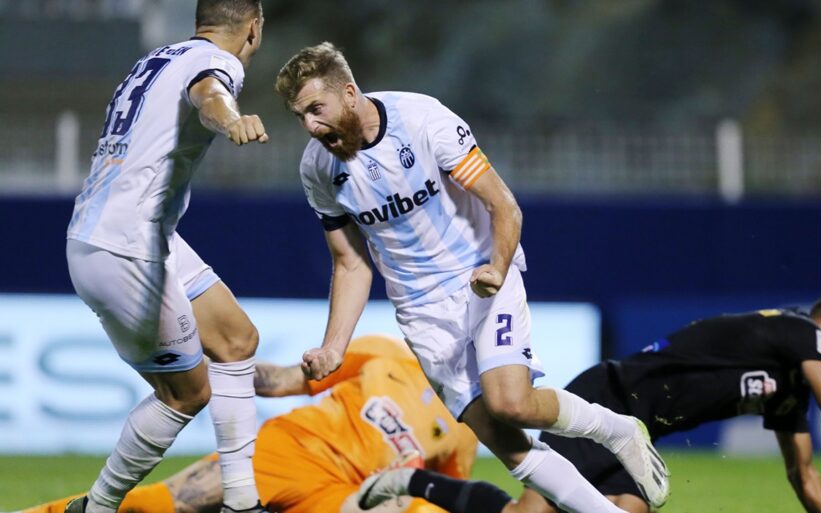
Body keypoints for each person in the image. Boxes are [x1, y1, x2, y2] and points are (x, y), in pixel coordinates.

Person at [274, 42, 669, 513]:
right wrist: (333, 347)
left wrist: (497, 267)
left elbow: (503, 205)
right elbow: (350, 263)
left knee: (512, 403)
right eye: (300, 116)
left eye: (316, 109)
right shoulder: (317, 169)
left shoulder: (422, 120)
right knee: (509, 445)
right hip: (420, 312)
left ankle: (616, 430)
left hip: (480, 277)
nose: (310, 126)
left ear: (349, 93)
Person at [360, 286, 821, 513]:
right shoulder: (797, 330)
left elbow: (804, 475)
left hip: (641, 436)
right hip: (607, 400)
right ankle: (413, 482)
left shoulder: (790, 387)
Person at [64, 2, 268, 512]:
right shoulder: (219, 63)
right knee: (185, 394)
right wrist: (231, 118)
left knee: (237, 340)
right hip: (125, 247)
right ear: (253, 27)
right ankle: (97, 506)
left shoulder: (157, 58)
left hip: (138, 233)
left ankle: (242, 502)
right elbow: (209, 95)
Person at [17, 335, 488, 513]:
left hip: (345, 496)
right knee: (154, 506)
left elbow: (439, 494)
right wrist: (209, 367)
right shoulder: (384, 353)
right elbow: (282, 380)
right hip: (289, 452)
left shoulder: (468, 427)